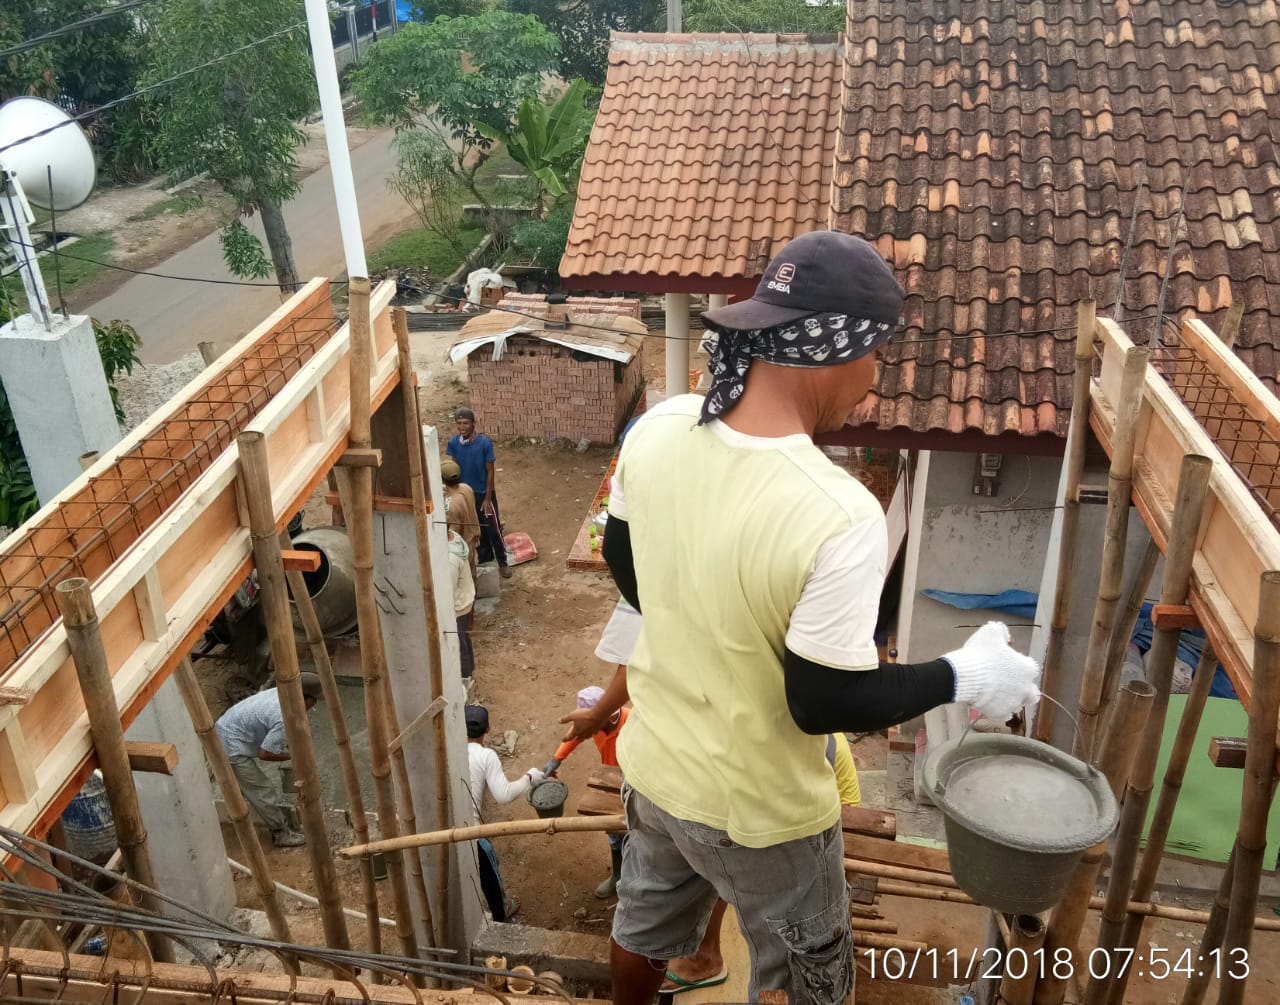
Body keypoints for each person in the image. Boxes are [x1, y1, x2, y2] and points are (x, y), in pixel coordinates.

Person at [560, 230, 1040, 1005]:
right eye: (875, 352)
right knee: (808, 976)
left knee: (644, 923)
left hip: (656, 768)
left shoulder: (660, 428)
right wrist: (968, 672)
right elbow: (823, 701)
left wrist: (700, 620)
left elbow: (624, 557)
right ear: (835, 348)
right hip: (763, 813)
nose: (874, 377)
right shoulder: (836, 511)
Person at [662, 732, 862, 994]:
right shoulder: (757, 736)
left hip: (814, 826)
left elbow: (844, 817)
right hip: (773, 813)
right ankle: (707, 955)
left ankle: (716, 959)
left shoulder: (824, 746)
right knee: (720, 852)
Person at [215, 674, 325, 848]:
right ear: (304, 698)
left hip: (227, 725)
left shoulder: (283, 692)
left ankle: (246, 805)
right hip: (230, 745)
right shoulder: (283, 717)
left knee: (246, 785)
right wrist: (292, 756)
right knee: (262, 790)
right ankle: (280, 833)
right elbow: (265, 754)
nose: (316, 704)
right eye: (314, 700)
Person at [543, 685, 631, 898]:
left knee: (638, 833)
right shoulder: (598, 725)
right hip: (610, 784)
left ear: (599, 716)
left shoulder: (632, 722)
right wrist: (556, 759)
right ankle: (618, 875)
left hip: (637, 783)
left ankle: (634, 879)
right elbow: (577, 735)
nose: (584, 729)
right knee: (614, 832)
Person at [466, 704, 549, 921]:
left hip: (438, 825)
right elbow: (503, 795)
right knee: (487, 861)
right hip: (467, 828)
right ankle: (500, 911)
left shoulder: (448, 748)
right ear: (487, 729)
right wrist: (529, 777)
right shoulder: (486, 755)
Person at [447, 408, 511, 578]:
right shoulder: (453, 443)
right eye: (459, 423)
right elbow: (455, 468)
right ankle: (485, 558)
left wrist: (488, 498)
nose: (462, 427)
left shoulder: (484, 443)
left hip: (484, 494)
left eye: (466, 423)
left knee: (493, 529)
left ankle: (503, 561)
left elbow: (490, 471)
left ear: (474, 423)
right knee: (477, 528)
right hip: (466, 495)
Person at [442, 457, 481, 574]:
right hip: (472, 537)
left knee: (465, 575)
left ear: (443, 480)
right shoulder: (466, 488)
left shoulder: (452, 506)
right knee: (472, 570)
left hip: (463, 546)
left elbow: (453, 534)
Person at [449, 530, 477, 687]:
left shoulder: (449, 559)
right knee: (464, 639)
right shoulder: (454, 537)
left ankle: (465, 679)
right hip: (464, 600)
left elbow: (449, 590)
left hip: (457, 606)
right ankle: (469, 673)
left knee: (459, 644)